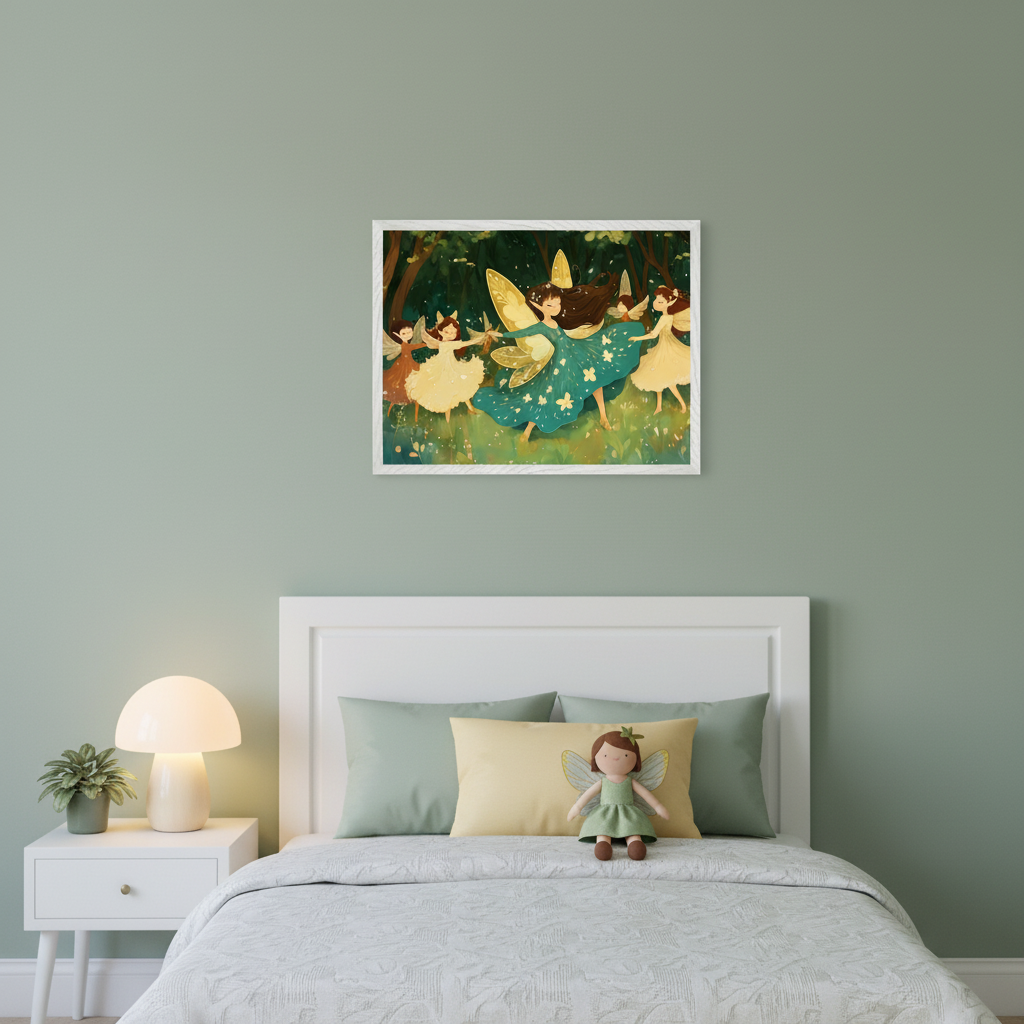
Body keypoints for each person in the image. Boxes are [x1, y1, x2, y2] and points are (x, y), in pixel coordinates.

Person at [474, 281, 645, 441]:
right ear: (538, 307)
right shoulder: (541, 326)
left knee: (595, 378)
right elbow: (521, 333)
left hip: (575, 351)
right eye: (551, 305)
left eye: (558, 303)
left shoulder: (558, 320)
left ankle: (603, 417)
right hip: (561, 361)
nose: (556, 307)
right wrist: (500, 334)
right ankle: (528, 430)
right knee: (548, 393)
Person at [567, 728, 669, 861]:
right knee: (602, 829)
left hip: (628, 813)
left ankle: (634, 843)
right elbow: (587, 795)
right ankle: (603, 843)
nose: (615, 758)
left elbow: (645, 794)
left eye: (626, 755)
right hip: (604, 813)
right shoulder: (602, 782)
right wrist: (577, 808)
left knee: (633, 830)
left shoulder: (630, 781)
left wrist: (658, 806)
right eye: (605, 755)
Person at [404, 316, 484, 422]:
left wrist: (482, 337)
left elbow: (467, 343)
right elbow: (467, 343)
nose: (450, 334)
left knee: (460, 386)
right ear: (440, 331)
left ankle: (469, 408)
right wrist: (482, 336)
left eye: (453, 332)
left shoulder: (446, 344)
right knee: (448, 388)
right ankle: (451, 416)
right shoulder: (445, 344)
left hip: (452, 366)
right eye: (447, 332)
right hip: (442, 367)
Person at [629, 286, 691, 414]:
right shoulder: (667, 316)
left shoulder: (665, 317)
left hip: (667, 347)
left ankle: (682, 405)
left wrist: (637, 338)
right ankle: (659, 406)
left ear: (669, 303)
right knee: (659, 376)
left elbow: (653, 335)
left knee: (666, 379)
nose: (656, 303)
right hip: (663, 345)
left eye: (660, 302)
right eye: (656, 300)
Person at [382, 319, 428, 420]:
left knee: (413, 384)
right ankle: (396, 407)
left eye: (409, 332)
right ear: (398, 335)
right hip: (403, 365)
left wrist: (425, 344)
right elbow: (413, 346)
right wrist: (424, 344)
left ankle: (414, 413)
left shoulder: (407, 344)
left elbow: (414, 346)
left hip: (411, 364)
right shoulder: (404, 345)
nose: (407, 335)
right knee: (401, 383)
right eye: (403, 333)